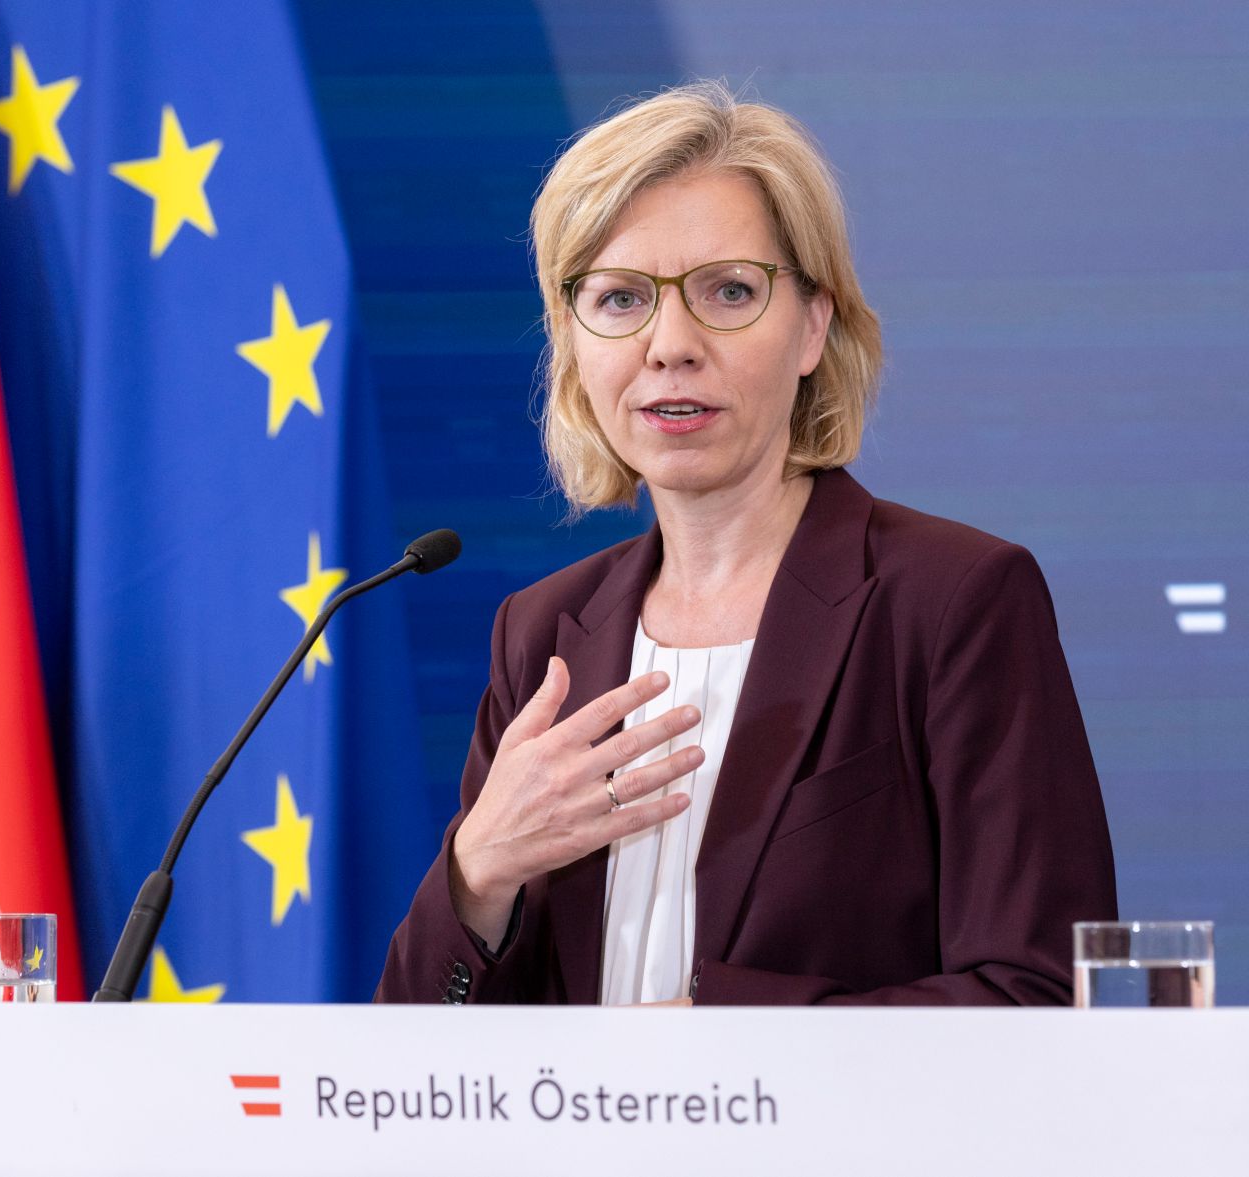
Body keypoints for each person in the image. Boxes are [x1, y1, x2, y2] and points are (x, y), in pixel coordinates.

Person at [375, 81, 1117, 1007]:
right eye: (619, 299)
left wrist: (724, 1048)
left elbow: (1036, 992)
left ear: (814, 324)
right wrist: (479, 874)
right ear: (572, 341)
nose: (670, 344)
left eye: (729, 291)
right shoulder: (544, 632)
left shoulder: (952, 601)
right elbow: (417, 1054)